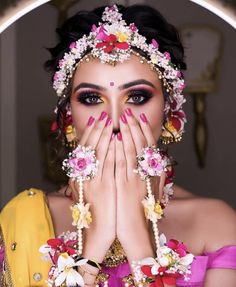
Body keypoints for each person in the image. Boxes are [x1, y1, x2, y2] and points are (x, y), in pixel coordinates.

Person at [0, 3, 236, 287]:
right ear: (69, 116)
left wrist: (137, 236)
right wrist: (96, 239)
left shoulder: (216, 223)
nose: (115, 121)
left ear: (168, 109)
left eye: (137, 97)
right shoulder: (26, 218)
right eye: (91, 98)